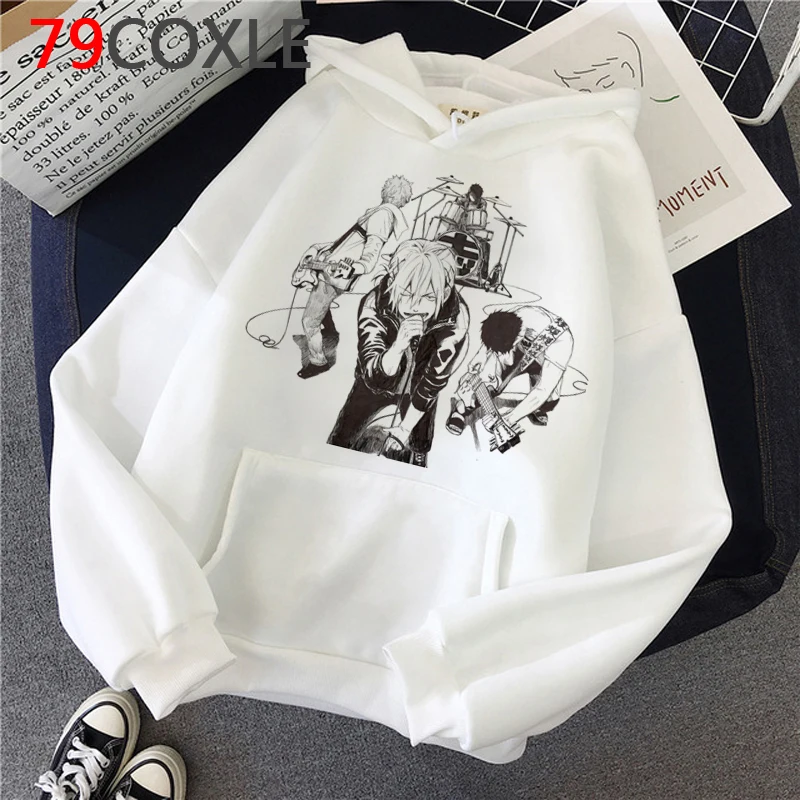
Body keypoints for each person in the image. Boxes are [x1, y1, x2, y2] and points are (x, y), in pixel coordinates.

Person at [328, 239, 469, 468]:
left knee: (420, 435)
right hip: (376, 379)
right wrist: (398, 346)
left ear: (444, 292)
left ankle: (419, 452)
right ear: (393, 280)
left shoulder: (456, 318)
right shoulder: (374, 303)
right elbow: (373, 374)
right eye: (406, 294)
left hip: (420, 385)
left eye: (429, 297)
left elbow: (433, 382)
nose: (415, 306)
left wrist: (404, 429)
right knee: (342, 436)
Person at [292, 175, 413, 379]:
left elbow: (370, 255)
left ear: (389, 192)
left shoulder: (382, 215)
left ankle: (318, 362)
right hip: (332, 269)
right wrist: (320, 248)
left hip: (334, 275)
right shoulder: (379, 213)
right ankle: (329, 330)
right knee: (321, 302)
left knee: (309, 321)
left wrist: (355, 267)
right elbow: (349, 243)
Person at [446, 304, 574, 443]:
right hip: (518, 348)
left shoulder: (561, 343)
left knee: (549, 401)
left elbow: (543, 389)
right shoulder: (515, 316)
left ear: (518, 336)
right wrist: (481, 354)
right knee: (487, 376)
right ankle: (462, 408)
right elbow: (495, 331)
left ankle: (534, 407)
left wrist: (509, 419)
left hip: (544, 361)